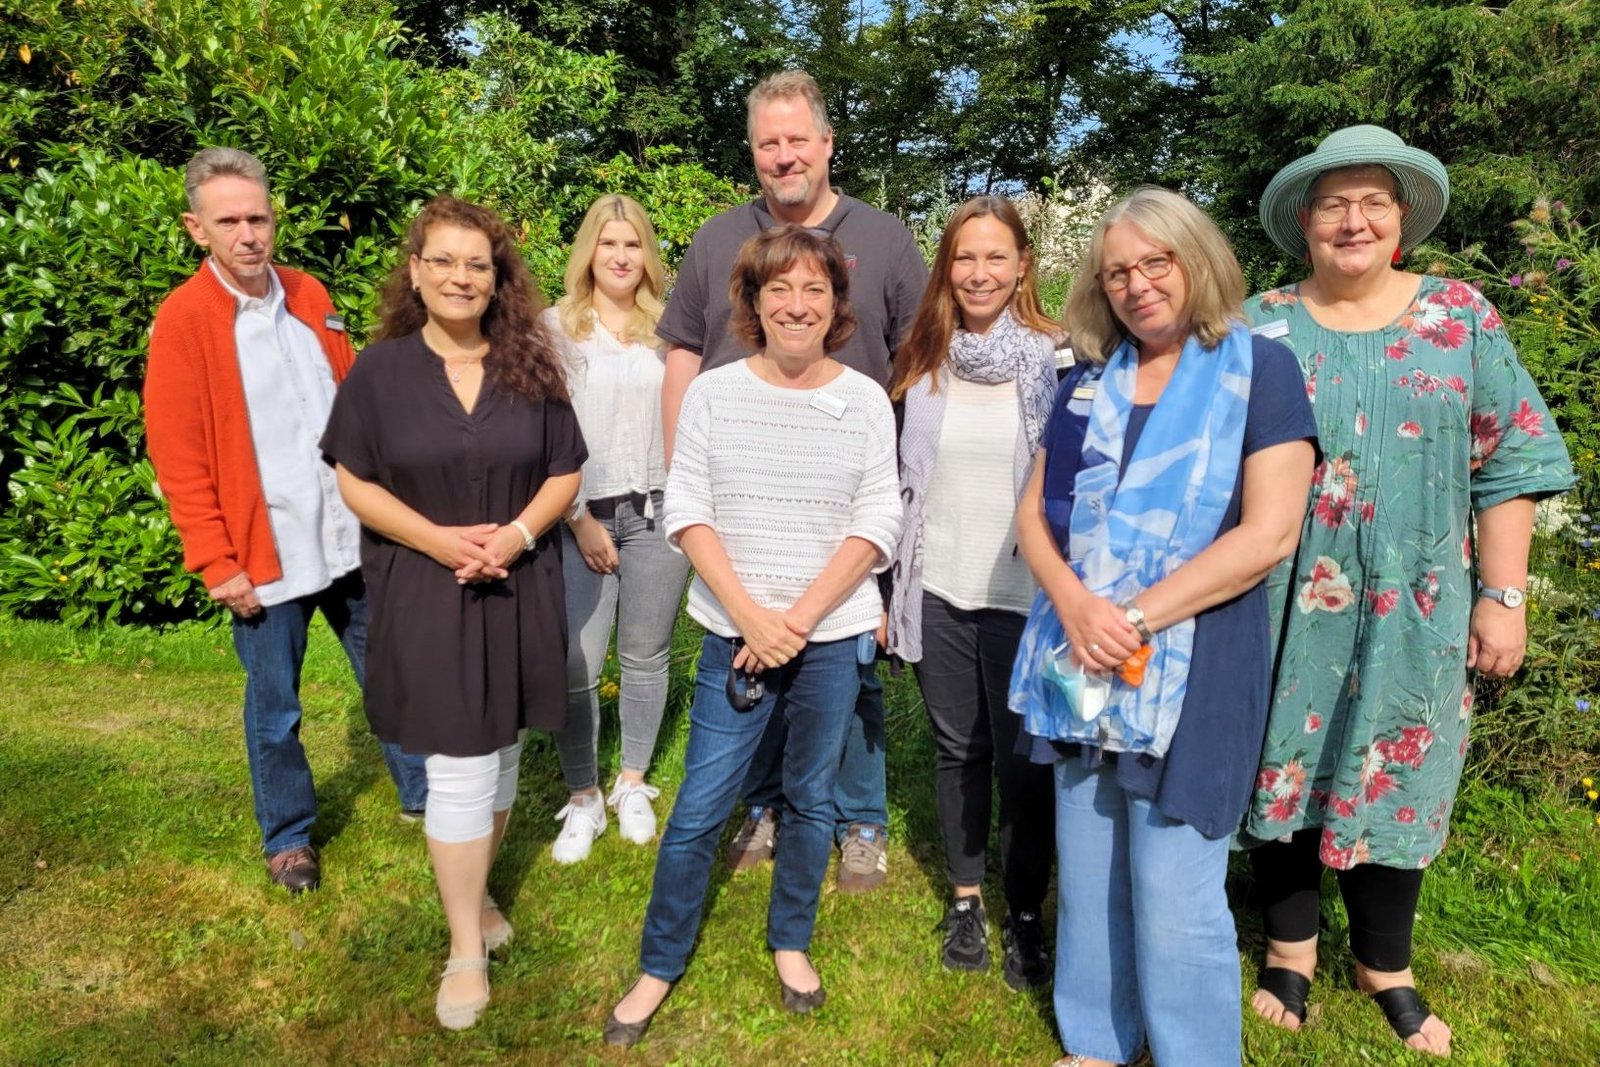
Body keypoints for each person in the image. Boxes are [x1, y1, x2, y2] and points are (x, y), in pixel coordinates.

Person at [1240, 126, 1575, 1058]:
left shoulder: (1459, 316)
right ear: (1304, 221)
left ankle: (1386, 963)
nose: (1353, 220)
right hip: (1280, 598)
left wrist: (1503, 598)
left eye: (1372, 203)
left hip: (1420, 604)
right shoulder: (1256, 321)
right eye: (1333, 203)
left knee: (1403, 767)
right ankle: (1290, 951)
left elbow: (1510, 459)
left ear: (1401, 222)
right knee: (1286, 761)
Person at [1009, 186, 1318, 1066]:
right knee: (1093, 861)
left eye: (1156, 262)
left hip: (1196, 662)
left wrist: (1134, 616)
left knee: (1174, 888)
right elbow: (1031, 515)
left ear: (1198, 260)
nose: (1138, 284)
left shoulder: (1261, 370)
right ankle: (1099, 1044)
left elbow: (1270, 534)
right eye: (1117, 272)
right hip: (1080, 656)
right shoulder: (1083, 386)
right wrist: (1076, 604)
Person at [604, 226, 902, 1047]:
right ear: (753, 302)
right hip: (731, 633)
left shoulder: (867, 399)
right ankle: (660, 962)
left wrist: (797, 621)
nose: (797, 305)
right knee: (701, 803)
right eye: (780, 289)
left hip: (831, 637)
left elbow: (880, 517)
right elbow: (688, 506)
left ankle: (791, 939)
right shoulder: (714, 391)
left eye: (814, 290)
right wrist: (751, 617)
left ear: (836, 305)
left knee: (811, 798)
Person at [657, 68, 928, 891]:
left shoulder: (883, 239)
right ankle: (767, 802)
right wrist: (685, 471)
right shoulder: (716, 239)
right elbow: (680, 349)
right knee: (752, 651)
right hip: (740, 496)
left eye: (796, 140)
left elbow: (920, 359)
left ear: (826, 144)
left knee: (844, 661)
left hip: (847, 500)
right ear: (754, 152)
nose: (784, 157)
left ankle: (862, 818)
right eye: (768, 143)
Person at [320, 195, 586, 1030]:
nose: (460, 276)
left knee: (501, 754)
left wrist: (512, 536)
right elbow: (354, 479)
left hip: (515, 584)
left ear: (497, 277)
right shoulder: (380, 370)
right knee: (462, 765)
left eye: (477, 263)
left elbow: (564, 470)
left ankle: (476, 902)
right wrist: (441, 542)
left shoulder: (530, 362)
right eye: (444, 260)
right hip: (427, 590)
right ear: (415, 270)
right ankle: (465, 945)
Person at [144, 147, 428, 894]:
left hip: (349, 534)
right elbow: (178, 454)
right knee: (275, 707)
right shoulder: (185, 321)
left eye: (258, 217)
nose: (247, 234)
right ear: (196, 228)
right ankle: (289, 837)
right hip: (261, 552)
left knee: (392, 673)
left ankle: (425, 795)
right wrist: (214, 559)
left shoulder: (308, 293)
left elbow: (352, 400)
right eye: (228, 221)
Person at [885, 196, 1058, 987]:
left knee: (1027, 761)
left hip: (1028, 595)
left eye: (996, 257)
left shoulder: (1059, 360)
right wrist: (891, 593)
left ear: (1022, 263)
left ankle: (1025, 912)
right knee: (960, 750)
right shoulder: (920, 360)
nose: (980, 273)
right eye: (965, 257)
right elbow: (896, 484)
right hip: (941, 587)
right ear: (945, 268)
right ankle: (964, 898)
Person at [541, 194, 688, 863]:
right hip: (582, 515)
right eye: (608, 244)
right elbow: (542, 433)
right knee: (574, 660)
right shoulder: (555, 329)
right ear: (589, 253)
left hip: (658, 514)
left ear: (648, 255)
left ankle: (631, 780)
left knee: (646, 655)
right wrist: (576, 519)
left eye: (633, 245)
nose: (621, 257)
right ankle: (582, 795)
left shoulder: (675, 331)